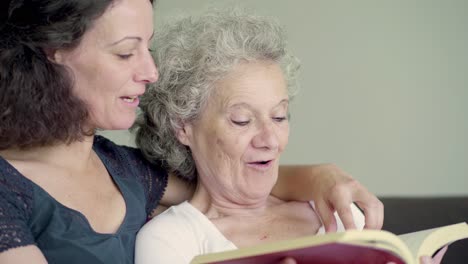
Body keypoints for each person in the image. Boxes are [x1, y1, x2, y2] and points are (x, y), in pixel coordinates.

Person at [0, 0, 383, 263]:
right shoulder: (8, 194)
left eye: (148, 48)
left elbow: (233, 179)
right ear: (54, 51)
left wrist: (323, 174)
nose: (151, 72)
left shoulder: (126, 169)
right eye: (125, 52)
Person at [133, 9, 445, 264]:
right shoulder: (171, 240)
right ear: (183, 126)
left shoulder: (339, 213)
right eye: (242, 120)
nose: (270, 138)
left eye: (280, 116)